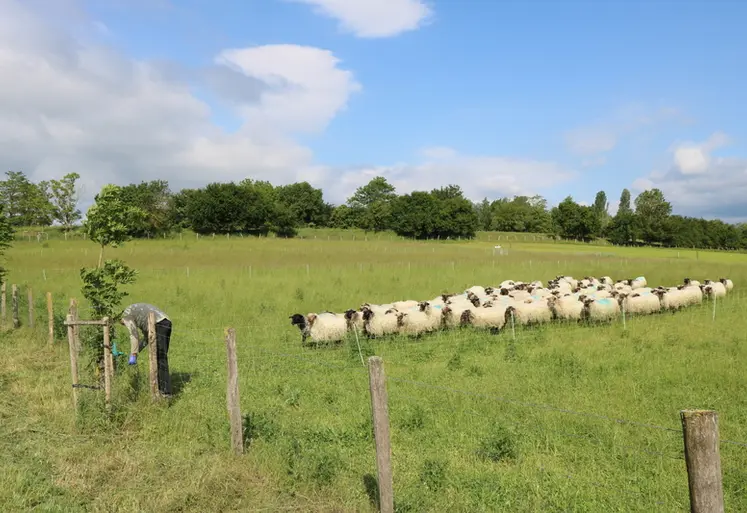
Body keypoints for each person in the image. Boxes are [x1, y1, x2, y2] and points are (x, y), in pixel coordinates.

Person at [120, 303, 173, 397]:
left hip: (158, 324)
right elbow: (146, 338)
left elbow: (134, 334)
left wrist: (133, 354)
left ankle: (165, 392)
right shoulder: (134, 312)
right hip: (166, 323)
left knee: (160, 358)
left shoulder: (126, 316)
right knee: (161, 357)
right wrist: (138, 350)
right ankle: (161, 388)